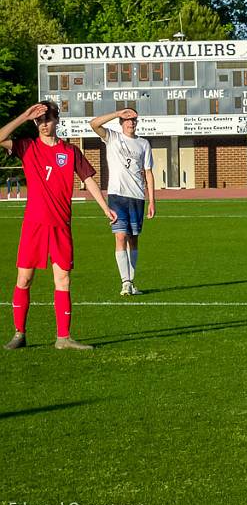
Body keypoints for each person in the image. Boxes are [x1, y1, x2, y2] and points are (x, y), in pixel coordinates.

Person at [1, 102, 116, 351]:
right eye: (39, 120)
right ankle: (19, 333)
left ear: (57, 120)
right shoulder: (27, 147)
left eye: (48, 119)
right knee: (24, 278)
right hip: (34, 225)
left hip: (61, 225)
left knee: (63, 279)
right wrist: (24, 115)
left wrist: (105, 208)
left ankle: (63, 338)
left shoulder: (70, 151)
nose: (43, 124)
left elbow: (88, 180)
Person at [89, 108, 155, 296]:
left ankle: (131, 281)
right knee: (120, 237)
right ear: (121, 122)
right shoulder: (112, 137)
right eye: (127, 120)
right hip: (117, 196)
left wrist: (152, 201)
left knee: (133, 240)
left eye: (133, 120)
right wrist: (117, 113)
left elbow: (148, 173)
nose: (130, 123)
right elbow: (94, 124)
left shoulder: (143, 144)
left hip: (137, 197)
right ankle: (125, 282)